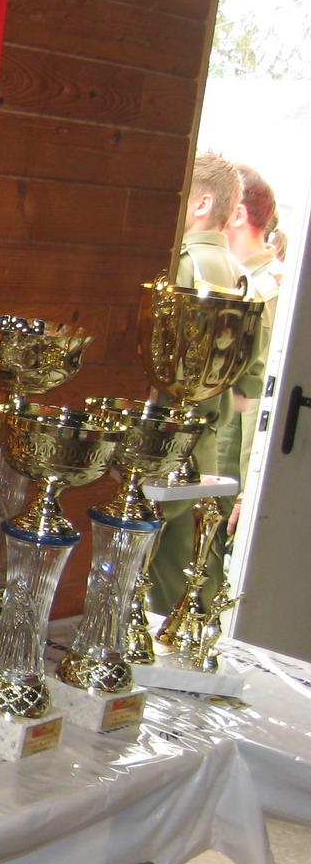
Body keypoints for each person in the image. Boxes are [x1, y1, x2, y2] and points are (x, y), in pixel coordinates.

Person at [148, 152, 247, 615]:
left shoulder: (186, 265)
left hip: (167, 439)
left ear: (203, 203)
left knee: (148, 570)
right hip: (205, 444)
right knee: (188, 578)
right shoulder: (239, 274)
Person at [220, 164, 282, 534]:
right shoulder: (242, 281)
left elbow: (261, 400)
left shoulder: (266, 291)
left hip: (231, 473)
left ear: (238, 214)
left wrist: (249, 492)